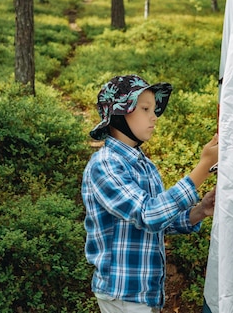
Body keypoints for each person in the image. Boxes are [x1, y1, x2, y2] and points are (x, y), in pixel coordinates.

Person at [82, 74, 219, 313]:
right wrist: (203, 168)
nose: (154, 117)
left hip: (145, 293)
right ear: (118, 114)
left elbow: (158, 222)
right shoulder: (105, 165)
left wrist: (199, 211)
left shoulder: (143, 164)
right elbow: (149, 214)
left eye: (154, 109)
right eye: (145, 108)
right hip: (123, 293)